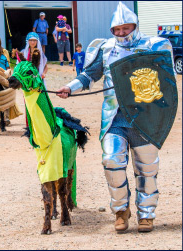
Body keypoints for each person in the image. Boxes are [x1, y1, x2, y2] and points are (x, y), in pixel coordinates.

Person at [56, 2, 175, 233]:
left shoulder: (155, 46)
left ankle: (147, 215)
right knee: (112, 161)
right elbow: (89, 75)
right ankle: (121, 211)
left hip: (145, 117)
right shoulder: (106, 48)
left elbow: (166, 79)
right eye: (117, 29)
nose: (121, 33)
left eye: (125, 28)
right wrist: (70, 88)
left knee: (147, 169)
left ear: (135, 26)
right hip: (114, 117)